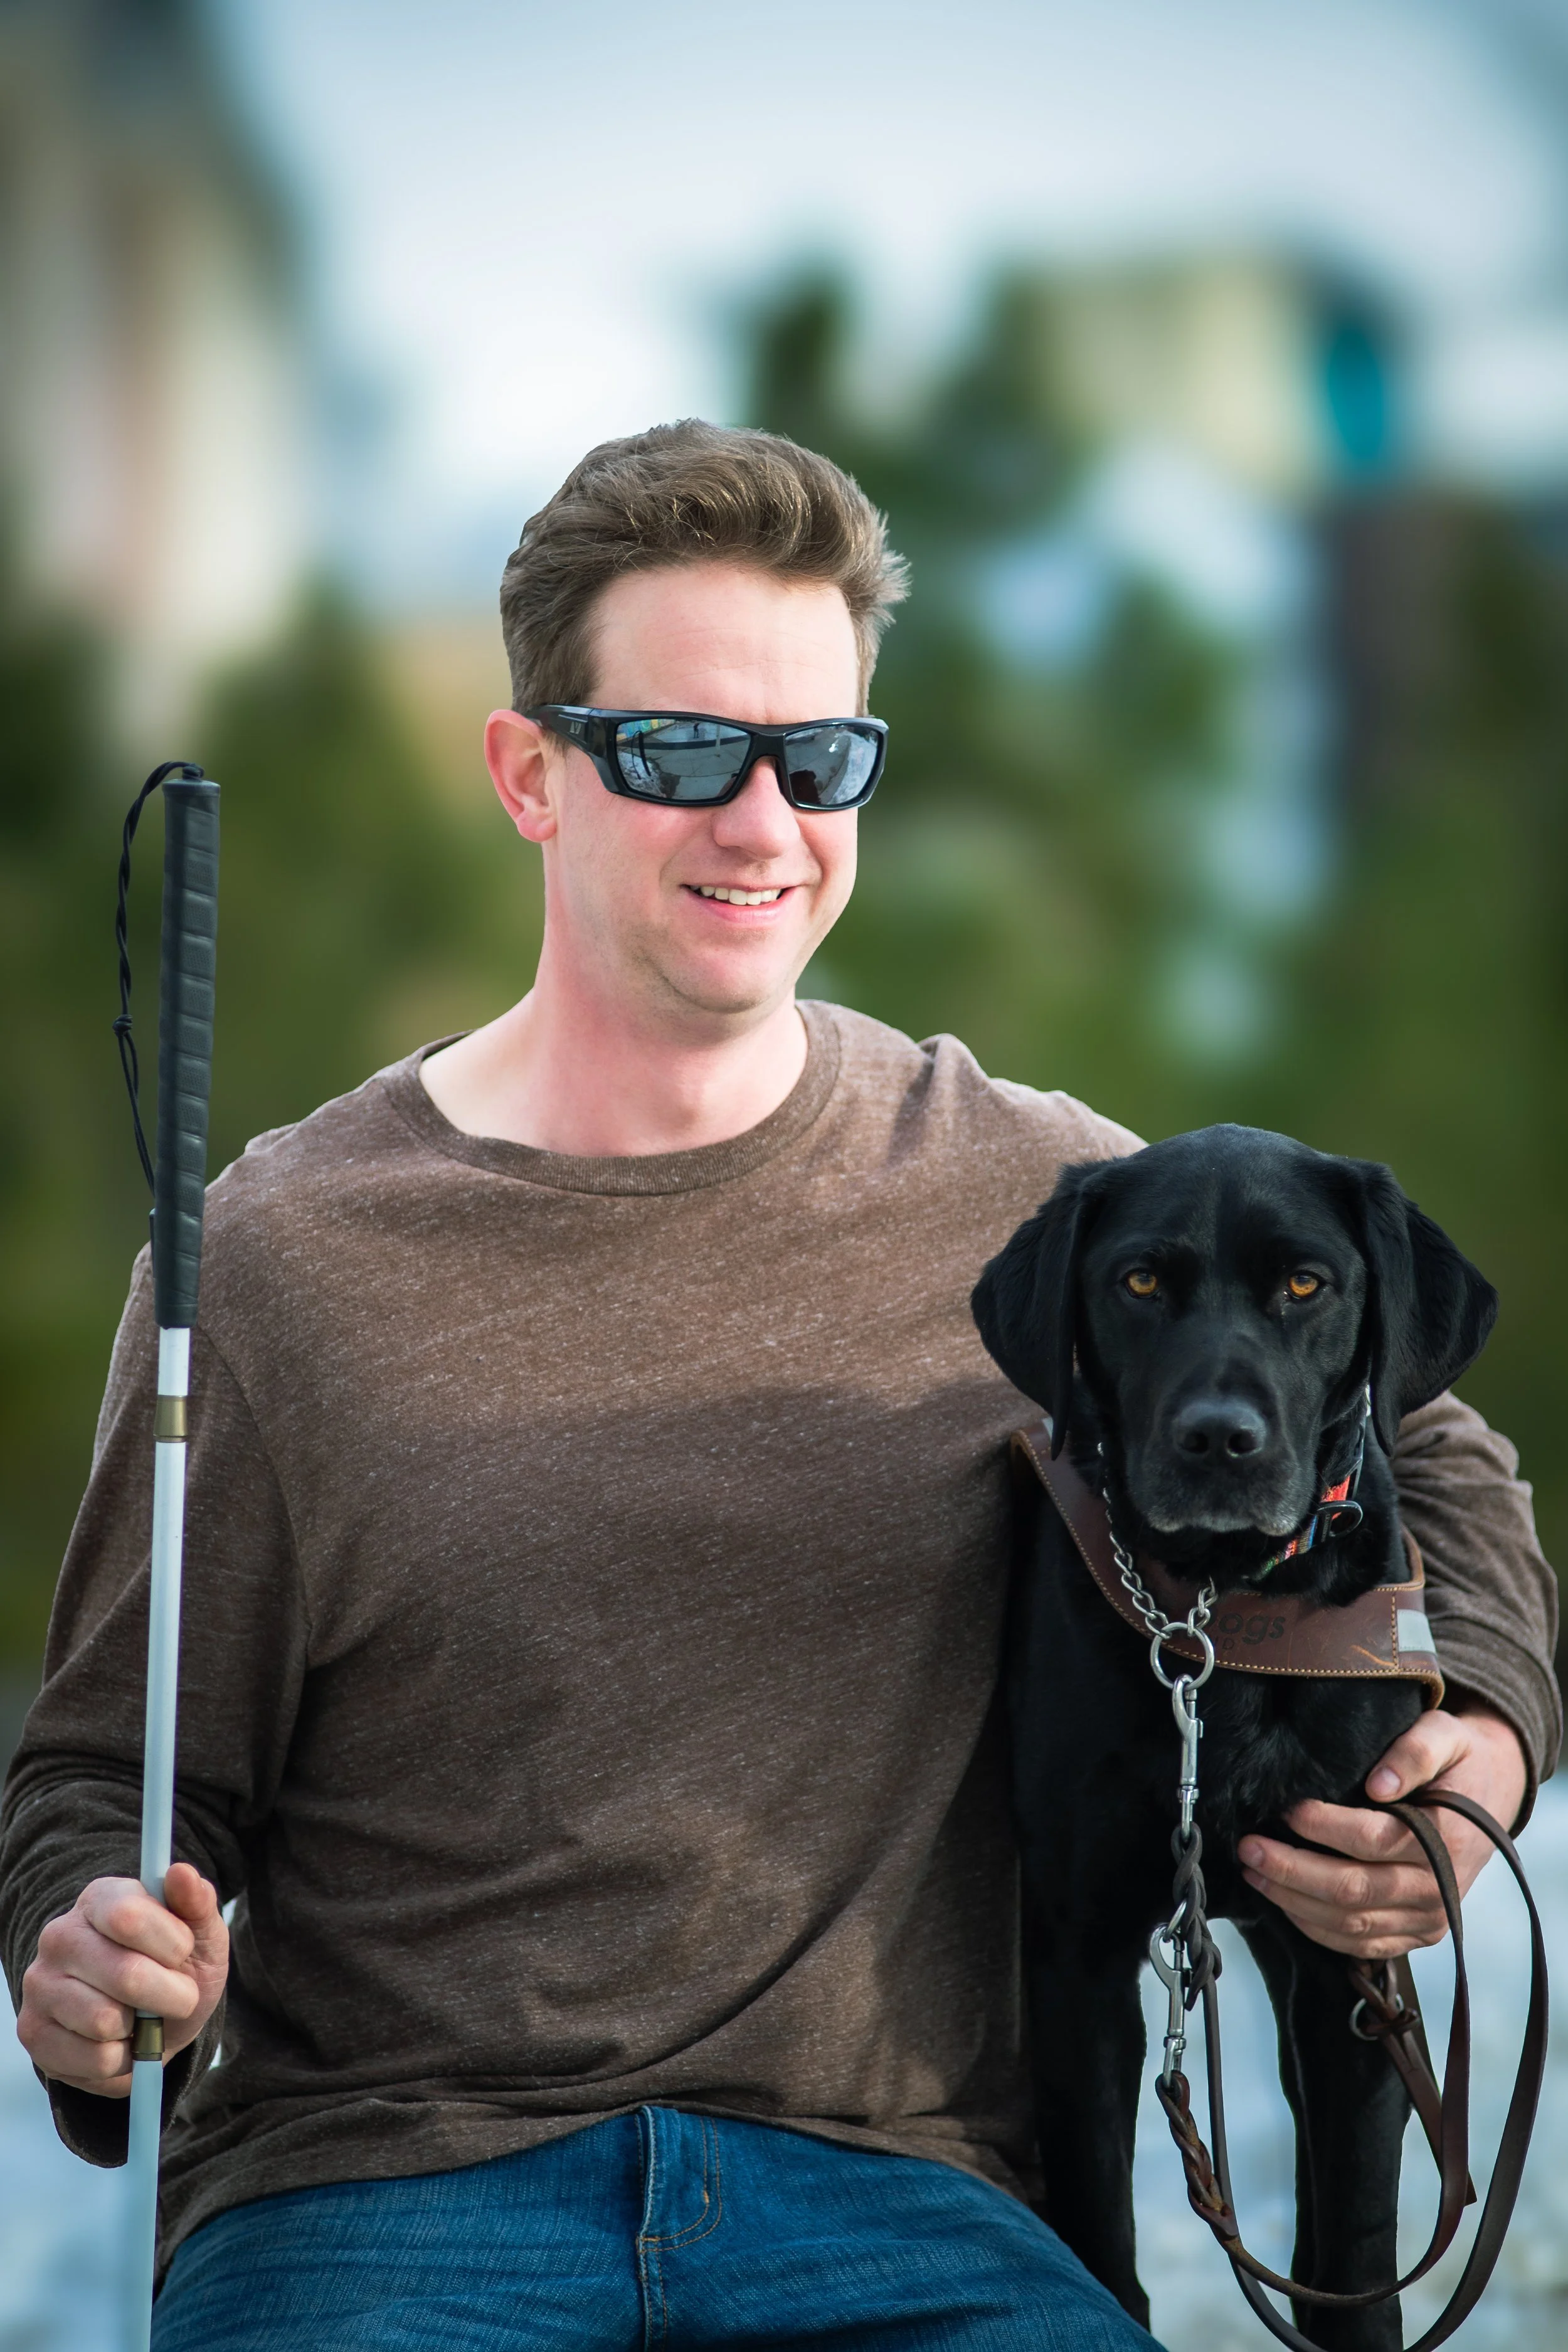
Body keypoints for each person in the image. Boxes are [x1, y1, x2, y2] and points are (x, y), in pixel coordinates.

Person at [3, 422, 1557, 2352]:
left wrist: (1477, 1743)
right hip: (386, 2195)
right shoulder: (276, 1262)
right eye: (674, 751)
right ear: (529, 777)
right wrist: (86, 1953)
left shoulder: (1034, 1191)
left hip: (902, 2204)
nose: (760, 821)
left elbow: (1415, 1427)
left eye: (818, 758)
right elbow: (102, 1775)